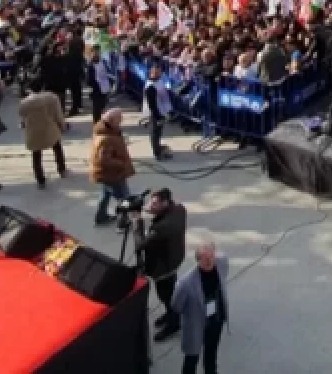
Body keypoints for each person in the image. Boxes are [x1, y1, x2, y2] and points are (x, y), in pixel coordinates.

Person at [134, 188, 188, 342]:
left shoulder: (161, 228)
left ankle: (174, 322)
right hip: (174, 259)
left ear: (165, 202)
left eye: (155, 203)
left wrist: (137, 222)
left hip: (162, 267)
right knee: (171, 292)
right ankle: (171, 313)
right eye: (151, 201)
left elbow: (140, 245)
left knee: (166, 295)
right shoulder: (179, 210)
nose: (151, 205)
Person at [172, 242, 229, 374]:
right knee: (191, 359)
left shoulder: (222, 263)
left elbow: (223, 276)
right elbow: (176, 305)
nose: (209, 260)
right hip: (196, 325)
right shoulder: (185, 283)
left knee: (211, 353)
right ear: (198, 260)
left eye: (211, 256)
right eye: (205, 258)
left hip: (216, 320)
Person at [18, 77, 67, 188]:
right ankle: (61, 170)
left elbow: (22, 116)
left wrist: (23, 125)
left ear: (30, 89)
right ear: (43, 86)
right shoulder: (52, 98)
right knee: (57, 148)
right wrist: (62, 126)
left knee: (36, 156)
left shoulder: (24, 102)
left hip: (34, 131)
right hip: (50, 129)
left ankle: (40, 179)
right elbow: (58, 114)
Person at [91, 108, 135, 226]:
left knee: (105, 195)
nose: (121, 122)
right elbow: (105, 159)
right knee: (124, 198)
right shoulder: (106, 139)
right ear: (111, 121)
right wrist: (121, 163)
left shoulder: (106, 131)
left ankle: (101, 216)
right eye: (119, 120)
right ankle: (123, 222)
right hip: (113, 174)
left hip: (105, 174)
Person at [142, 64, 174, 160]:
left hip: (162, 111)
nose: (159, 74)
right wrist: (157, 116)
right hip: (155, 113)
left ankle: (159, 148)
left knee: (158, 132)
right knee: (155, 133)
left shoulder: (159, 81)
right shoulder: (150, 86)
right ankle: (157, 153)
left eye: (159, 72)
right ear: (152, 73)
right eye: (156, 72)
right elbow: (152, 104)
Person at [88, 47, 114, 125]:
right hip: (96, 89)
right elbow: (89, 79)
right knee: (96, 107)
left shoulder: (104, 62)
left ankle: (102, 121)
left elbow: (110, 73)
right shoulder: (90, 65)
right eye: (94, 53)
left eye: (97, 52)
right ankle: (96, 123)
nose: (96, 54)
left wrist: (109, 82)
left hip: (104, 88)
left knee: (102, 105)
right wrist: (94, 84)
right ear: (91, 54)